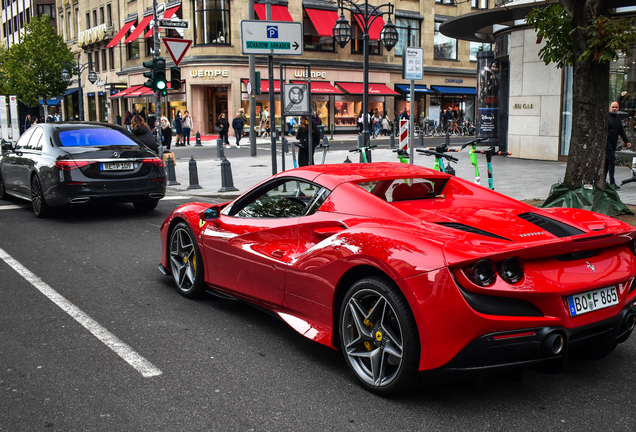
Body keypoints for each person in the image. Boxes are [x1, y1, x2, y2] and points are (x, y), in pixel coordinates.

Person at [605, 101, 632, 189]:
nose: (614, 109)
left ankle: (603, 181)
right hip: (607, 142)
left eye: (616, 107)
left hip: (614, 143)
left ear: (618, 108)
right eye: (613, 107)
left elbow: (621, 131)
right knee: (612, 160)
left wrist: (626, 141)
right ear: (610, 107)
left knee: (607, 162)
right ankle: (612, 182)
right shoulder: (606, 117)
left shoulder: (617, 118)